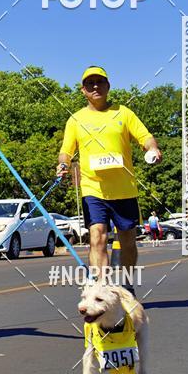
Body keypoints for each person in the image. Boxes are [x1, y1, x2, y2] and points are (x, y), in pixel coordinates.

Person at [56, 66, 162, 283]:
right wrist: (63, 165)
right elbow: (66, 151)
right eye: (89, 83)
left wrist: (152, 149)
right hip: (93, 189)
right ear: (83, 90)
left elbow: (145, 137)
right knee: (97, 237)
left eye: (100, 82)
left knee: (128, 242)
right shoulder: (75, 120)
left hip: (124, 189)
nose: (95, 86)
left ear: (108, 86)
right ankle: (101, 288)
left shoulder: (124, 113)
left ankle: (127, 284)